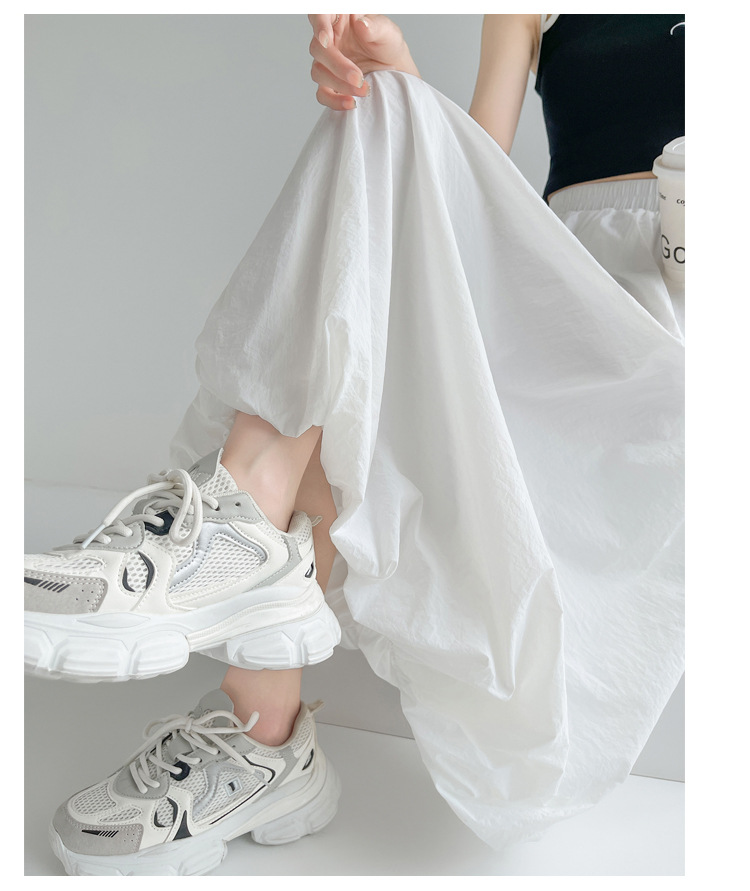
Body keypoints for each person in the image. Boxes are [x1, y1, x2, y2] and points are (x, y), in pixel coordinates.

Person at [24, 14, 685, 876]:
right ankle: (253, 662)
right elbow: (466, 180)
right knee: (379, 120)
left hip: (680, 320)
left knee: (365, 353)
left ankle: (247, 605)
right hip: (558, 302)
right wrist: (397, 80)